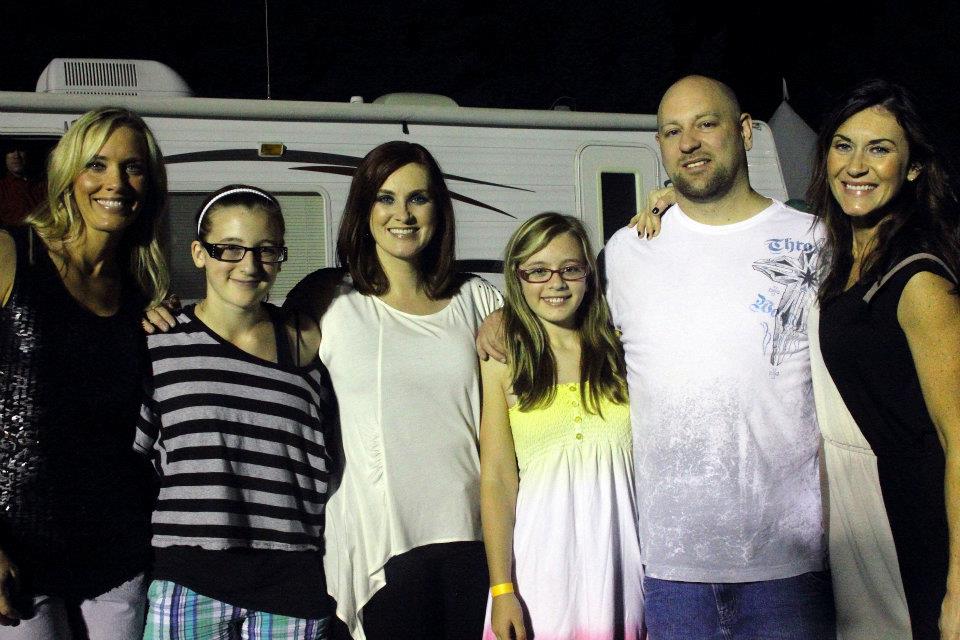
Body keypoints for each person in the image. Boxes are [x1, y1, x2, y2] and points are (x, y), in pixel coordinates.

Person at [593, 75, 832, 639]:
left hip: (790, 567)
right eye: (672, 131)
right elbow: (562, 326)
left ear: (745, 131)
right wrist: (502, 322)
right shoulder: (627, 253)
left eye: (706, 123)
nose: (689, 143)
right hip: (673, 573)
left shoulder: (815, 241)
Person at [285, 141, 502, 640]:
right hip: (378, 549)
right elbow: (251, 341)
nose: (402, 214)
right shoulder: (330, 298)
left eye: (417, 198)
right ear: (363, 209)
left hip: (472, 540)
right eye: (385, 198)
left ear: (438, 210)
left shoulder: (478, 299)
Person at [135, 185, 334, 639]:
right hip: (189, 583)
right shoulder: (160, 343)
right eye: (229, 248)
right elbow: (130, 462)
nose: (249, 265)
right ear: (198, 253)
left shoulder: (307, 345)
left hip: (292, 587)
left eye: (266, 250)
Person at [0, 107, 169, 638]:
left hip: (117, 553)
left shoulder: (144, 293)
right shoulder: (12, 253)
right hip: (19, 549)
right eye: (97, 164)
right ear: (69, 174)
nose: (115, 182)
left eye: (133, 167)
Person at [805, 79, 960, 640]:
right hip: (860, 511)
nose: (857, 166)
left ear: (913, 167)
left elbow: (958, 436)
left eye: (880, 149)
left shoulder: (919, 280)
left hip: (915, 519)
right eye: (843, 145)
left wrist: (958, 588)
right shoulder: (842, 260)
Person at [479, 212, 643, 640]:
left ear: (589, 273)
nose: (555, 283)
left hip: (620, 570)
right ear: (517, 277)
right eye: (538, 271)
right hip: (540, 580)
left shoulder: (622, 351)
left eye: (570, 269)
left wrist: (662, 200)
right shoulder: (504, 360)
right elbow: (497, 480)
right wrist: (502, 589)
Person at [0, 146, 45, 227]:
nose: (16, 156)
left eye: (21, 150)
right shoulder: (2, 187)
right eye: (11, 151)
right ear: (5, 156)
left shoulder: (41, 184)